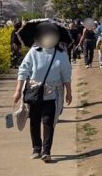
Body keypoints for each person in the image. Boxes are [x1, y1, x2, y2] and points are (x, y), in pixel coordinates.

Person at [13, 22, 72, 162]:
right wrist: (17, 91)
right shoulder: (34, 52)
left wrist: (69, 92)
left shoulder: (61, 54)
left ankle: (46, 150)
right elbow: (23, 71)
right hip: (35, 91)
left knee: (48, 121)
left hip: (53, 92)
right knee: (34, 121)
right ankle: (36, 148)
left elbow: (66, 74)